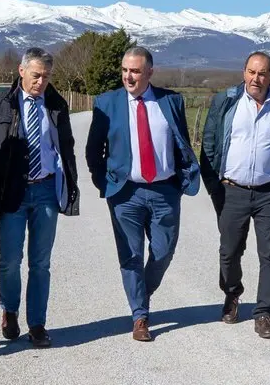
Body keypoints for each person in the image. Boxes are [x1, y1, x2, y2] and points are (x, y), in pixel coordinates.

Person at [86, 46, 200, 342]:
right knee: (131, 254)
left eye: (135, 71)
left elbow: (182, 143)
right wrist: (105, 183)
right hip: (126, 193)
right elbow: (93, 150)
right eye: (124, 70)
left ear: (150, 72)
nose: (128, 76)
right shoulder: (106, 103)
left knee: (163, 251)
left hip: (165, 190)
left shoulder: (171, 101)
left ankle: (141, 290)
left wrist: (183, 178)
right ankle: (140, 316)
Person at [0, 47, 79, 348]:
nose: (41, 82)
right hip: (10, 191)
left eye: (46, 76)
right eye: (36, 75)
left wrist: (70, 186)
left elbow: (65, 149)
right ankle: (10, 309)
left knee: (40, 262)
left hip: (45, 190)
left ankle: (38, 324)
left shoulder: (56, 105)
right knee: (9, 259)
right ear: (21, 72)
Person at [199, 52, 270, 339]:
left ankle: (265, 312)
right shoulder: (225, 101)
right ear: (243, 72)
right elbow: (209, 144)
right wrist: (214, 186)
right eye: (252, 72)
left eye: (263, 73)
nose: (257, 79)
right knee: (229, 252)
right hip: (232, 190)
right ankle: (232, 294)